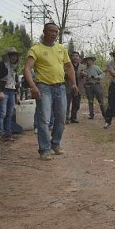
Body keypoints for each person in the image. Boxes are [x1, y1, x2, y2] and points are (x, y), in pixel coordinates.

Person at [23, 23, 78, 160]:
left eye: (56, 31)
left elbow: (69, 67)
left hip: (60, 87)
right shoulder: (36, 49)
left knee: (61, 118)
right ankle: (45, 150)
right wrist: (33, 86)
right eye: (51, 31)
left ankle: (55, 144)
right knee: (44, 119)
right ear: (44, 32)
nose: (54, 34)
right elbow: (27, 69)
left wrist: (73, 83)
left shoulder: (61, 48)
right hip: (43, 87)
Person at [0, 47, 20, 141]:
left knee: (10, 113)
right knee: (2, 113)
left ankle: (8, 132)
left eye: (15, 55)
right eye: (12, 55)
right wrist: (0, 91)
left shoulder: (14, 68)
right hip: (3, 91)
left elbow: (15, 82)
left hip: (11, 91)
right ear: (8, 56)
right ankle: (0, 132)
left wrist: (17, 94)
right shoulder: (1, 65)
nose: (14, 57)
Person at [65, 51, 82, 124]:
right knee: (67, 103)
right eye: (73, 56)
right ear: (71, 57)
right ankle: (66, 118)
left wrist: (84, 74)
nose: (75, 57)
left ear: (79, 57)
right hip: (68, 87)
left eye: (76, 56)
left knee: (76, 103)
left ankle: (73, 117)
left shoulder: (82, 66)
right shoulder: (67, 66)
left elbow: (87, 75)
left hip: (78, 87)